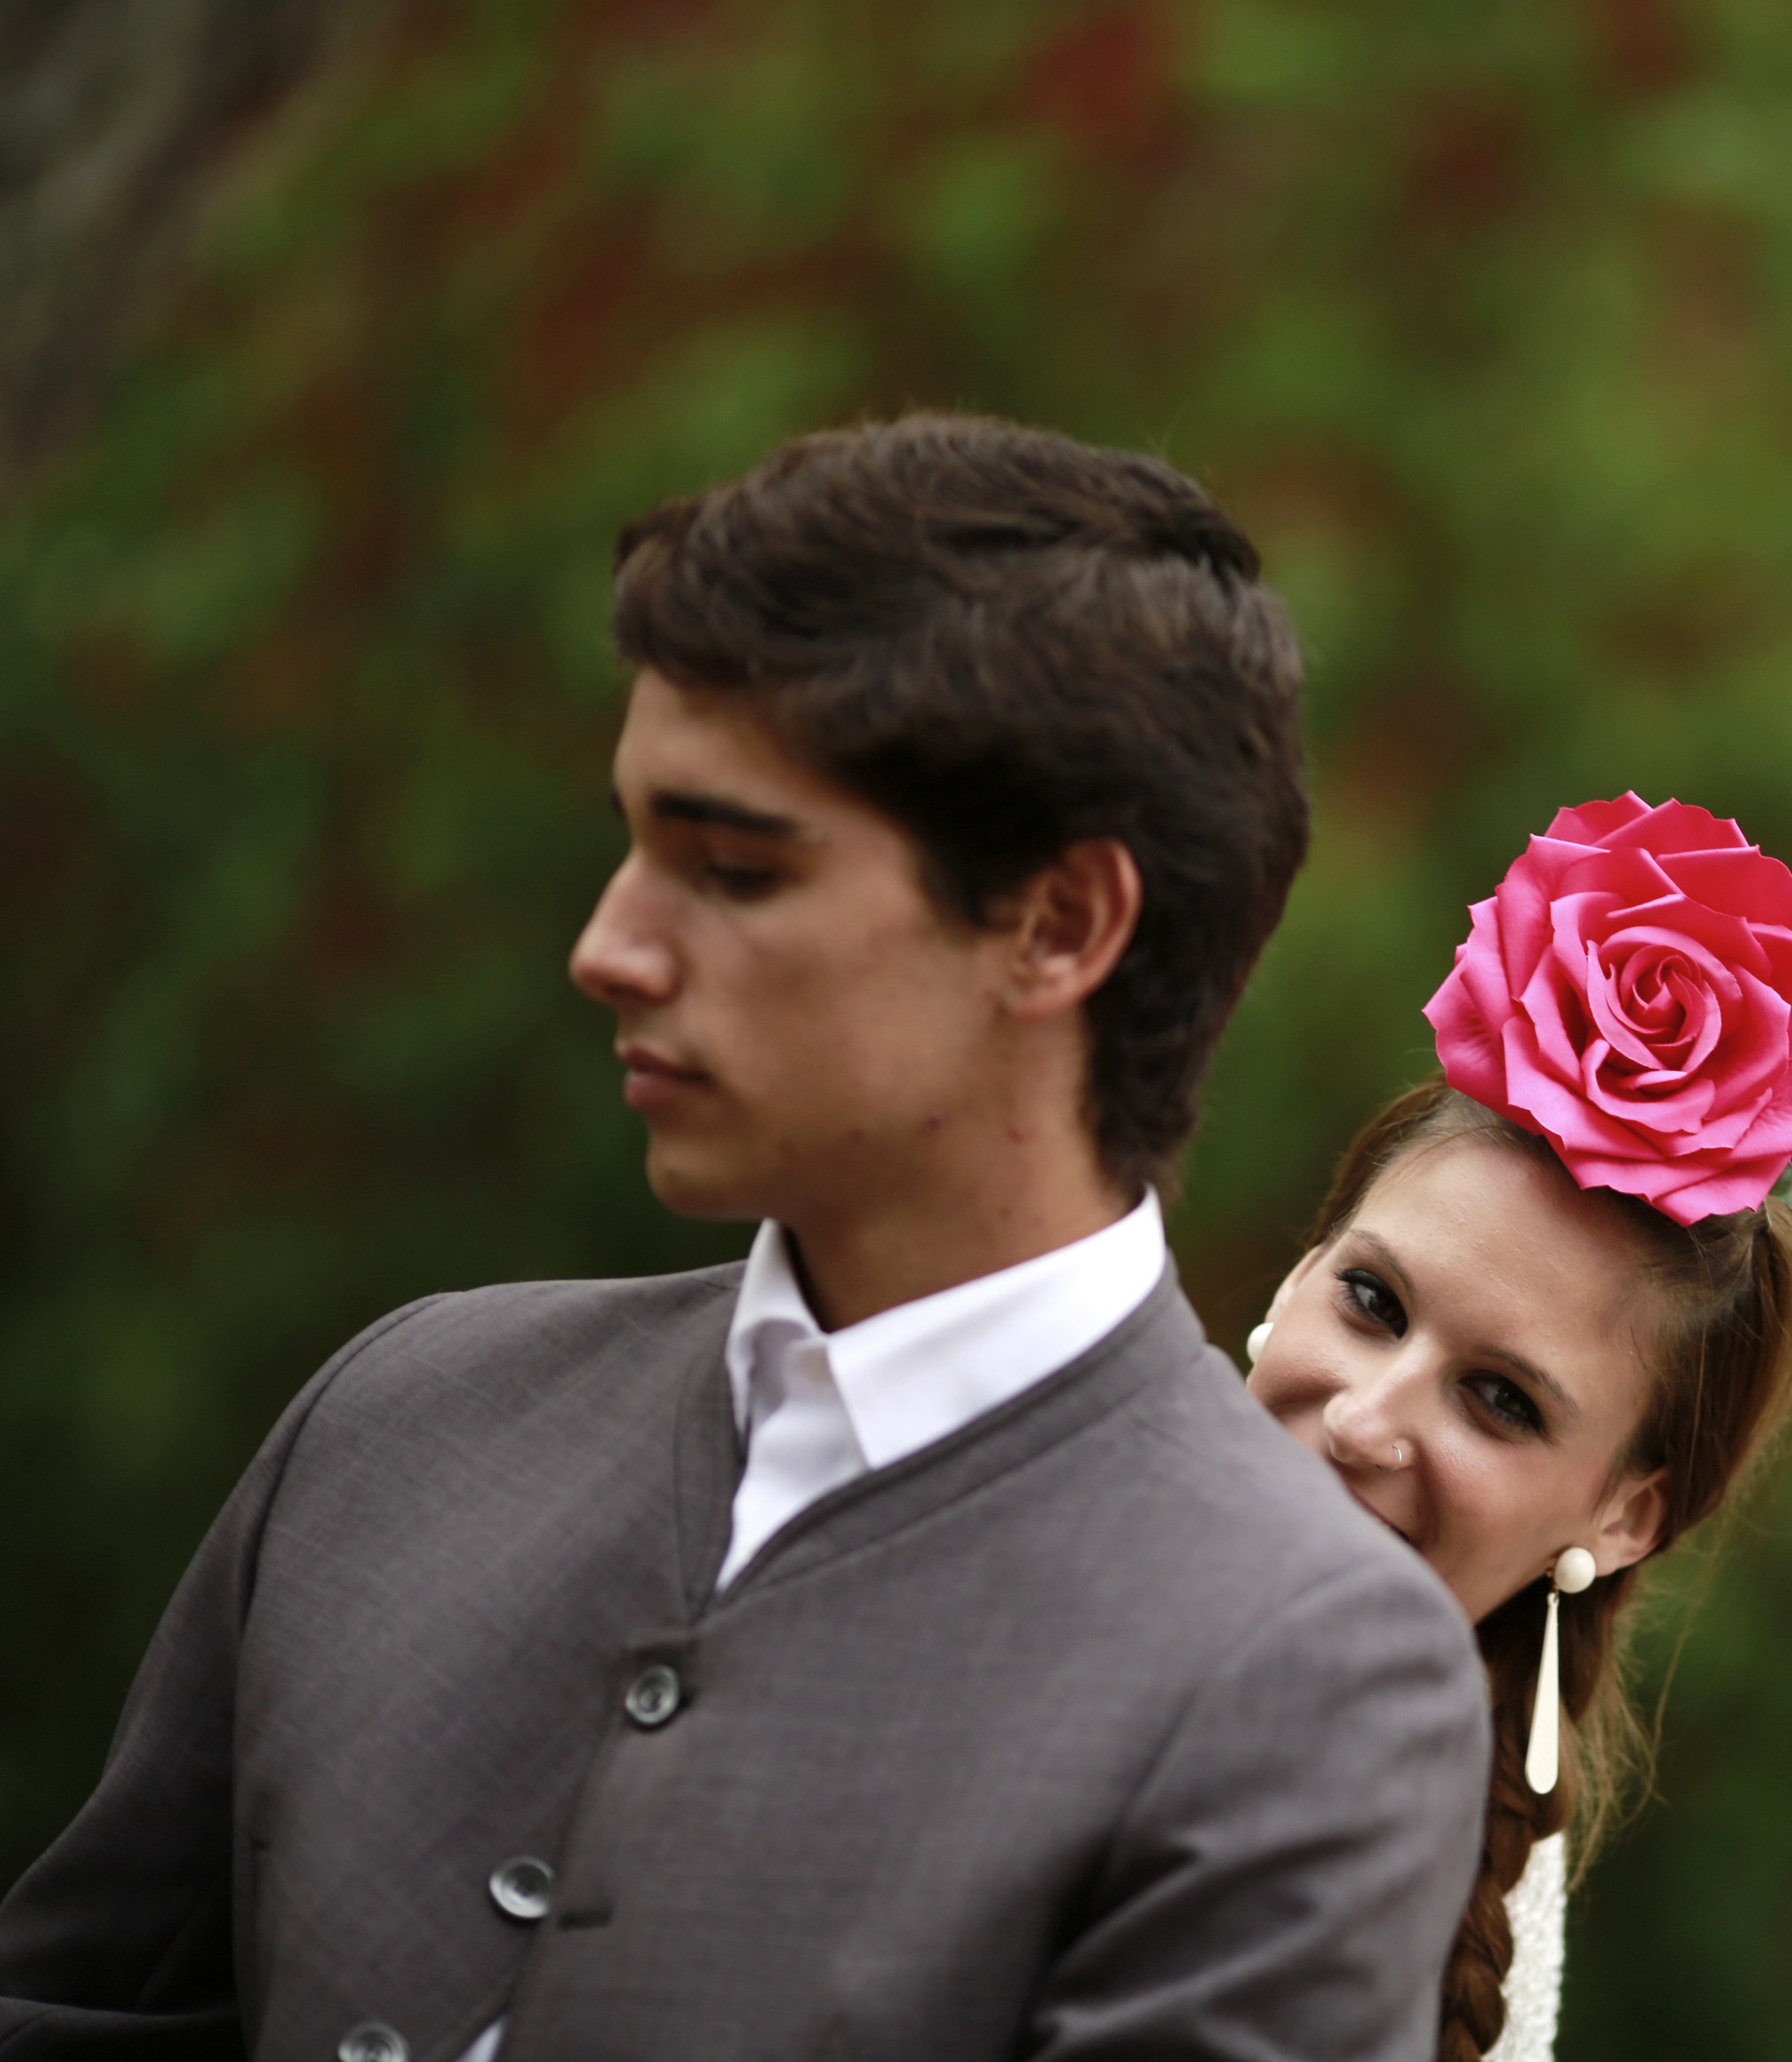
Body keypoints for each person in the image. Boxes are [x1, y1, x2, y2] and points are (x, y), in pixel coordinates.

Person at [0, 415, 1492, 2062]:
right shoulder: (400, 1415)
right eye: (636, 840)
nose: (609, 945)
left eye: (730, 868)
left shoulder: (1306, 1672)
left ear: (1060, 923)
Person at [1244, 794, 1792, 2061]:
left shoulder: (1473, 1911)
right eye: (1371, 1301)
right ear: (1295, 1276)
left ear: (1623, 1513)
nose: (1370, 1420)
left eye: (1500, 1399)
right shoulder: (967, 1555)